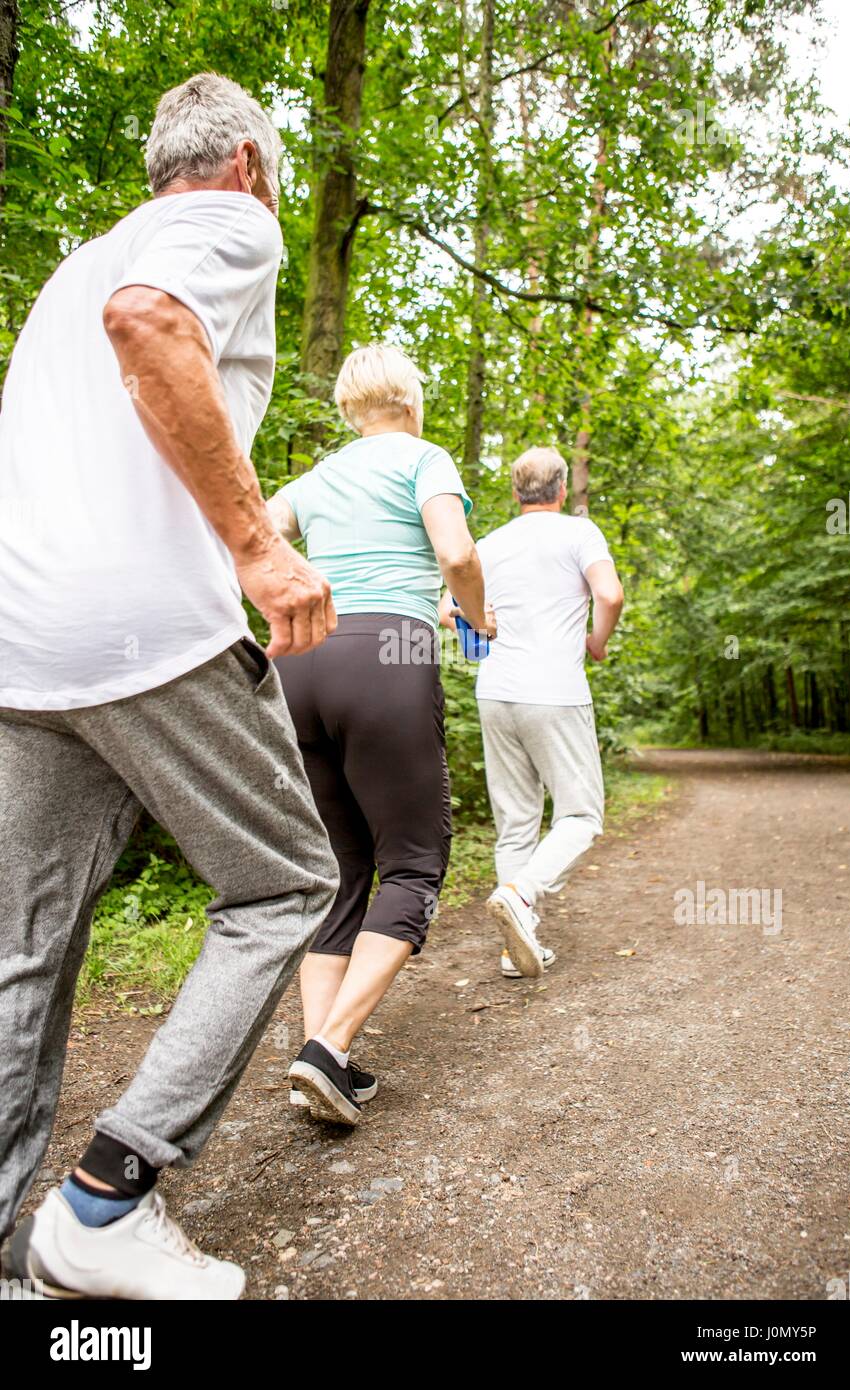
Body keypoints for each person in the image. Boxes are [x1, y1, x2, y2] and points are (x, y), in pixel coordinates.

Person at [0, 74, 340, 1300]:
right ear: (246, 158)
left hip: (22, 640)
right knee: (285, 880)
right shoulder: (222, 222)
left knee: (22, 945)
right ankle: (105, 1199)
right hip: (144, 628)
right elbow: (151, 322)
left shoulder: (68, 269)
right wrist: (257, 545)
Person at [268, 344, 492, 1126]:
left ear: (345, 409)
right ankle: (328, 1048)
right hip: (386, 662)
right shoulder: (424, 457)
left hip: (301, 666)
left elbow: (254, 536)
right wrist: (476, 610)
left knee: (340, 867)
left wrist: (287, 604)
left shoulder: (318, 476)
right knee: (415, 859)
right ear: (413, 399)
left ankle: (320, 1056)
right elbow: (456, 551)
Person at [442, 446, 623, 979]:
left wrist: (479, 625)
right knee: (581, 814)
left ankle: (514, 948)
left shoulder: (488, 544)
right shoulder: (578, 533)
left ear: (516, 492)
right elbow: (609, 594)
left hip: (495, 692)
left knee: (516, 822)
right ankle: (521, 896)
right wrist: (597, 641)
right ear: (562, 489)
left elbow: (446, 609)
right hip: (555, 691)